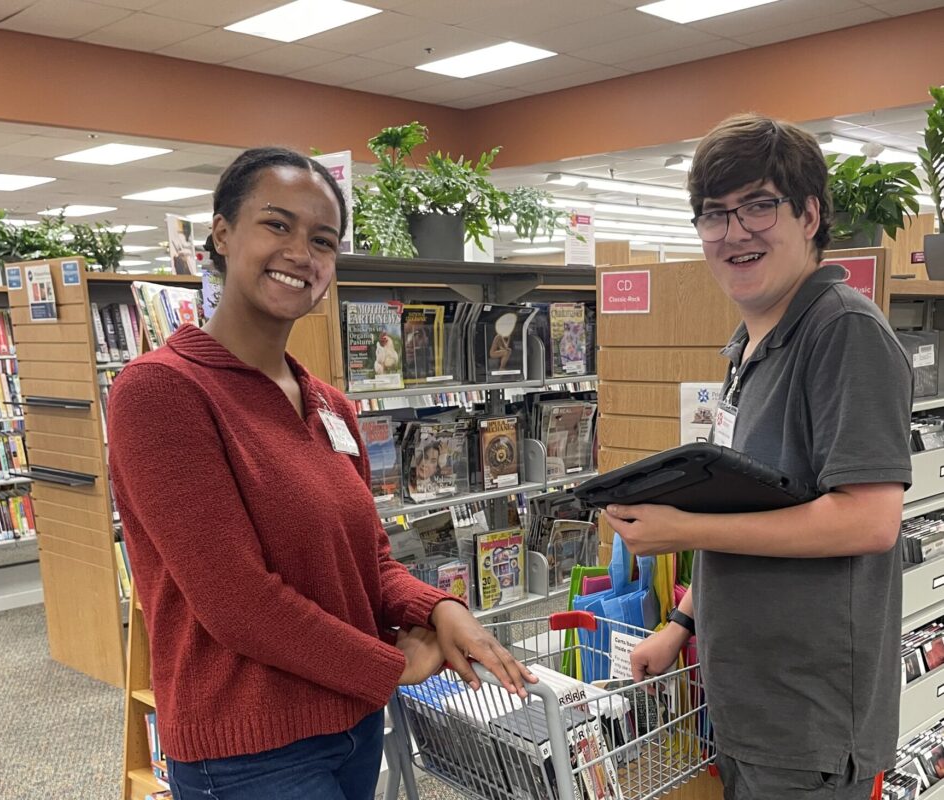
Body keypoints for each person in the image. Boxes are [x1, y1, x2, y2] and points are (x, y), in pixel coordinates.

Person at [106, 146, 535, 800]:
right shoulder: (161, 393)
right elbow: (236, 602)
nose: (302, 253)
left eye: (323, 239)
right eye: (277, 225)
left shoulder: (330, 405)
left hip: (352, 724)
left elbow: (371, 560)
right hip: (249, 749)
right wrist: (390, 666)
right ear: (221, 234)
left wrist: (440, 607)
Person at [604, 114, 913, 800]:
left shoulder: (844, 332)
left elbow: (868, 522)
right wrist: (680, 623)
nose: (734, 231)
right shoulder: (746, 349)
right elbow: (751, 506)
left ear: (808, 214)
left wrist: (686, 530)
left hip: (811, 722)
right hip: (748, 704)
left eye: (758, 206)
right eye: (715, 213)